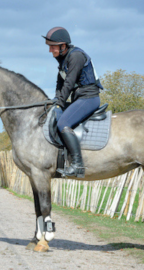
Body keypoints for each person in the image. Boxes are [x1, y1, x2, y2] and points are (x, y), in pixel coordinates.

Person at [43, 27, 103, 178]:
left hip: (88, 98)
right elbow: (60, 83)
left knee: (63, 123)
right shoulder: (63, 59)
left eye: (52, 46)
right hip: (79, 98)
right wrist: (56, 100)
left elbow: (69, 84)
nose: (50, 50)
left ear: (63, 45)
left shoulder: (75, 56)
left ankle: (77, 165)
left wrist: (60, 103)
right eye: (49, 46)